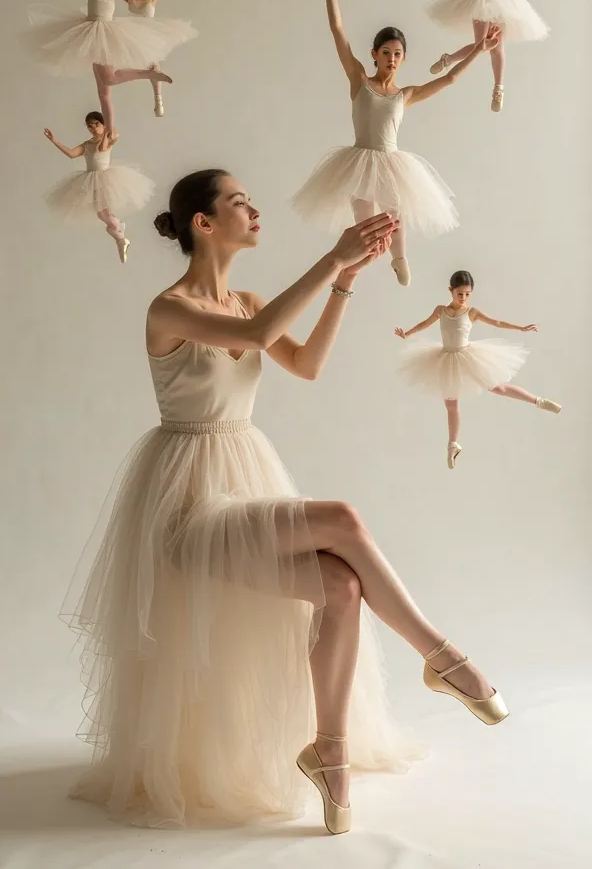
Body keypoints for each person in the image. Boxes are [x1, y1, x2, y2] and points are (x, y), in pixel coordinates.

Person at [62, 170, 508, 835]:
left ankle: (330, 755)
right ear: (202, 224)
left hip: (243, 480)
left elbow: (306, 363)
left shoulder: (245, 299)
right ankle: (441, 657)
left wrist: (348, 280)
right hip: (188, 504)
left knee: (341, 586)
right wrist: (332, 256)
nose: (254, 208)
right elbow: (255, 337)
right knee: (344, 520)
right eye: (239, 202)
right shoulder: (170, 308)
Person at [291, 0, 500, 287]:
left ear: (403, 58)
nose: (391, 58)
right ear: (374, 55)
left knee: (395, 214)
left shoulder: (406, 95)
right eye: (385, 52)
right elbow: (337, 31)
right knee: (365, 221)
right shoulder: (359, 80)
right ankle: (355, 267)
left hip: (390, 161)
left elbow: (448, 78)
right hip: (358, 160)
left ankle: (399, 259)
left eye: (397, 53)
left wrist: (479, 48)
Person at [395, 269, 561, 468]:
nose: (463, 298)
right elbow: (425, 323)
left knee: (498, 388)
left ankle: (538, 401)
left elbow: (497, 322)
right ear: (450, 290)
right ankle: (453, 445)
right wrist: (407, 333)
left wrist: (520, 328)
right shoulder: (441, 310)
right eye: (459, 294)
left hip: (468, 357)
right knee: (451, 405)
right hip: (446, 359)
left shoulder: (472, 312)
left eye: (467, 294)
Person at [21, 0, 196, 132]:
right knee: (103, 91)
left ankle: (148, 75)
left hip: (101, 32)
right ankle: (110, 131)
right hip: (95, 30)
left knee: (109, 80)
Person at [44, 111, 154, 263]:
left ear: (103, 125)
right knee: (101, 215)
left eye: (96, 124)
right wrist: (54, 140)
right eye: (90, 126)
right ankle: (121, 238)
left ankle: (121, 235)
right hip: (90, 180)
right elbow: (70, 153)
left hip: (106, 179)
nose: (93, 128)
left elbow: (110, 138)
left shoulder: (108, 138)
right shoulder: (87, 144)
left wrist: (107, 126)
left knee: (106, 215)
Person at [115, 0, 191, 117]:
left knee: (153, 66)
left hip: (149, 37)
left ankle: (158, 99)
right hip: (132, 37)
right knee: (129, 67)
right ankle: (154, 96)